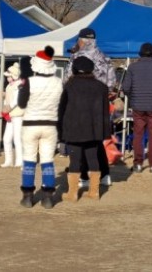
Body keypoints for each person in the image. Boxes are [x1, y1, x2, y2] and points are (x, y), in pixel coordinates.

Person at [64, 27, 116, 188]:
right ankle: (105, 174)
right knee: (96, 140)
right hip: (100, 105)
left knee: (81, 140)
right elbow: (112, 84)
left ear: (82, 40)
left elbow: (66, 82)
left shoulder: (76, 58)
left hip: (78, 105)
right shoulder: (105, 58)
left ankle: (85, 175)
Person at [58, 56, 110, 202]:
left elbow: (61, 110)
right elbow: (105, 112)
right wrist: (105, 132)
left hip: (73, 129)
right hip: (94, 130)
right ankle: (94, 192)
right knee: (93, 159)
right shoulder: (101, 87)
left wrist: (61, 132)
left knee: (74, 161)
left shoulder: (69, 86)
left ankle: (73, 193)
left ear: (74, 69)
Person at [18, 46, 63, 209]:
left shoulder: (29, 81)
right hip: (50, 125)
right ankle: (48, 197)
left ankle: (28, 196)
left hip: (31, 124)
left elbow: (21, 103)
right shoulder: (58, 82)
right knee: (47, 161)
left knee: (29, 161)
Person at [122, 42, 152, 173]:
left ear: (140, 54)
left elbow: (125, 87)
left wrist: (133, 97)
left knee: (138, 134)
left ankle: (137, 164)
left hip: (137, 106)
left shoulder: (132, 67)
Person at [0, 62, 24, 168]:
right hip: (10, 114)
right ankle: (8, 160)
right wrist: (5, 109)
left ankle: (20, 161)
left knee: (17, 139)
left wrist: (7, 109)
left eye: (8, 76)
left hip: (18, 114)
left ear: (13, 76)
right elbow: (7, 99)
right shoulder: (9, 85)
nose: (7, 78)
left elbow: (16, 100)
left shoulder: (20, 85)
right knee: (6, 139)